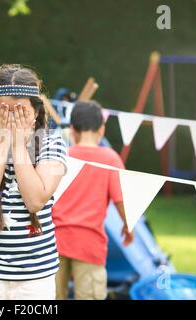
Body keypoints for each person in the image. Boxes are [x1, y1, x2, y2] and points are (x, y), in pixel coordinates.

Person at [0, 64, 67, 300]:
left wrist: (18, 146)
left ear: (36, 111)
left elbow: (35, 200)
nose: (11, 118)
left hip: (37, 276)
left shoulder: (52, 144)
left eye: (20, 111)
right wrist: (3, 144)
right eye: (3, 110)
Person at [52, 100, 134, 300]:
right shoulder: (111, 159)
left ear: (72, 130)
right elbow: (121, 200)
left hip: (53, 242)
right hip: (89, 244)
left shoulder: (60, 156)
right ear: (102, 129)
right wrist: (128, 225)